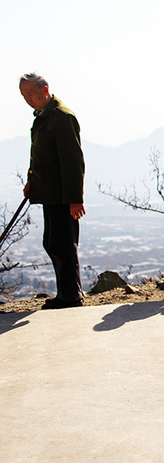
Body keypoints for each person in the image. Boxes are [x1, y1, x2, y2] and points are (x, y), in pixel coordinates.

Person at [20, 73, 86, 310]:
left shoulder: (61, 117)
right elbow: (41, 155)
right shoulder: (43, 116)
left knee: (63, 244)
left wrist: (74, 199)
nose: (27, 99)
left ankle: (70, 297)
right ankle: (67, 293)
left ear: (44, 89)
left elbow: (72, 161)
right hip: (48, 192)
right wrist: (32, 180)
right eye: (23, 95)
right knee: (53, 242)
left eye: (30, 94)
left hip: (62, 194)